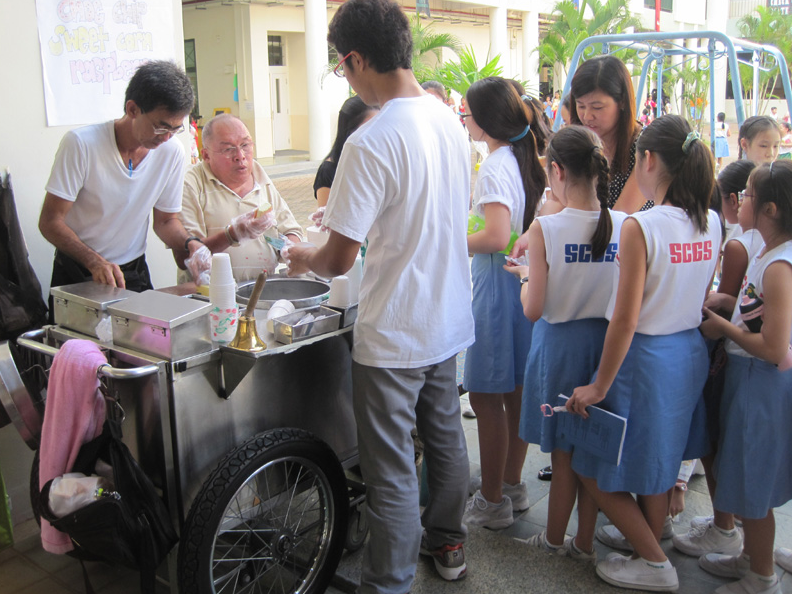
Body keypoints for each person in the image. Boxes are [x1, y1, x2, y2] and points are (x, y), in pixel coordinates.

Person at [285, 0, 475, 590]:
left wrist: (299, 255)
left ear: (357, 59)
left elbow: (337, 257)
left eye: (343, 68)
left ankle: (387, 582)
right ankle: (448, 544)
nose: (347, 79)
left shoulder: (370, 142)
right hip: (446, 318)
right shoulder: (447, 118)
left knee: (390, 466)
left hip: (395, 329)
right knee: (444, 438)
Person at [567, 115, 721, 592]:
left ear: (649, 160)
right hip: (687, 354)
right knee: (660, 459)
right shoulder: (711, 221)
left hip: (646, 360)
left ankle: (654, 562)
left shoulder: (641, 226)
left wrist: (599, 385)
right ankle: (649, 536)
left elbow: (626, 319)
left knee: (589, 462)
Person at [509, 125, 626, 561]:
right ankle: (583, 541)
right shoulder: (624, 223)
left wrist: (523, 279)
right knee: (591, 452)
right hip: (605, 348)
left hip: (559, 348)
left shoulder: (546, 228)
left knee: (562, 456)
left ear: (556, 170)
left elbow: (533, 308)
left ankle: (554, 540)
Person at [699, 160, 792, 594]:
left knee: (754, 482)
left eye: (749, 195)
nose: (741, 200)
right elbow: (760, 311)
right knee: (746, 470)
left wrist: (723, 328)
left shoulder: (778, 267)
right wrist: (729, 299)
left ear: (770, 208)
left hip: (759, 380)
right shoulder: (768, 253)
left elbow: (773, 348)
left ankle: (761, 577)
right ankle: (749, 558)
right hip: (749, 377)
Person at [39, 60, 203, 293]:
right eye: (160, 127)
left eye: (175, 130)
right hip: (78, 269)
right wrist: (93, 261)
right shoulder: (82, 144)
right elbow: (50, 221)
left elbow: (166, 222)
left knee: (142, 327)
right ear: (132, 109)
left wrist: (191, 244)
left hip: (132, 270)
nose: (166, 138)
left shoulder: (171, 151)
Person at [461, 76, 544, 530]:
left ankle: (491, 501)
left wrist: (451, 238)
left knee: (486, 394)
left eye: (467, 113)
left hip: (496, 286)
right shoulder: (520, 157)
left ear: (485, 120)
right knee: (512, 391)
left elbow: (494, 236)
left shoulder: (494, 164)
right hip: (522, 283)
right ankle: (511, 483)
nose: (464, 119)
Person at [177, 114, 304, 283]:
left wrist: (290, 248)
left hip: (264, 287)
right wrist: (232, 234)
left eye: (245, 145)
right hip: (212, 293)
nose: (240, 155)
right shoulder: (191, 183)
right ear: (206, 155)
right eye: (228, 149)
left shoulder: (258, 173)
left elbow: (290, 229)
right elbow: (190, 254)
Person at [569, 55, 646, 214]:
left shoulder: (645, 147)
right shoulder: (579, 143)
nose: (587, 116)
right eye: (581, 106)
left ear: (623, 102)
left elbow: (622, 214)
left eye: (597, 107)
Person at [313, 96, 378, 209]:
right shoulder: (329, 170)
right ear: (350, 131)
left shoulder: (378, 163)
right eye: (368, 128)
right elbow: (324, 219)